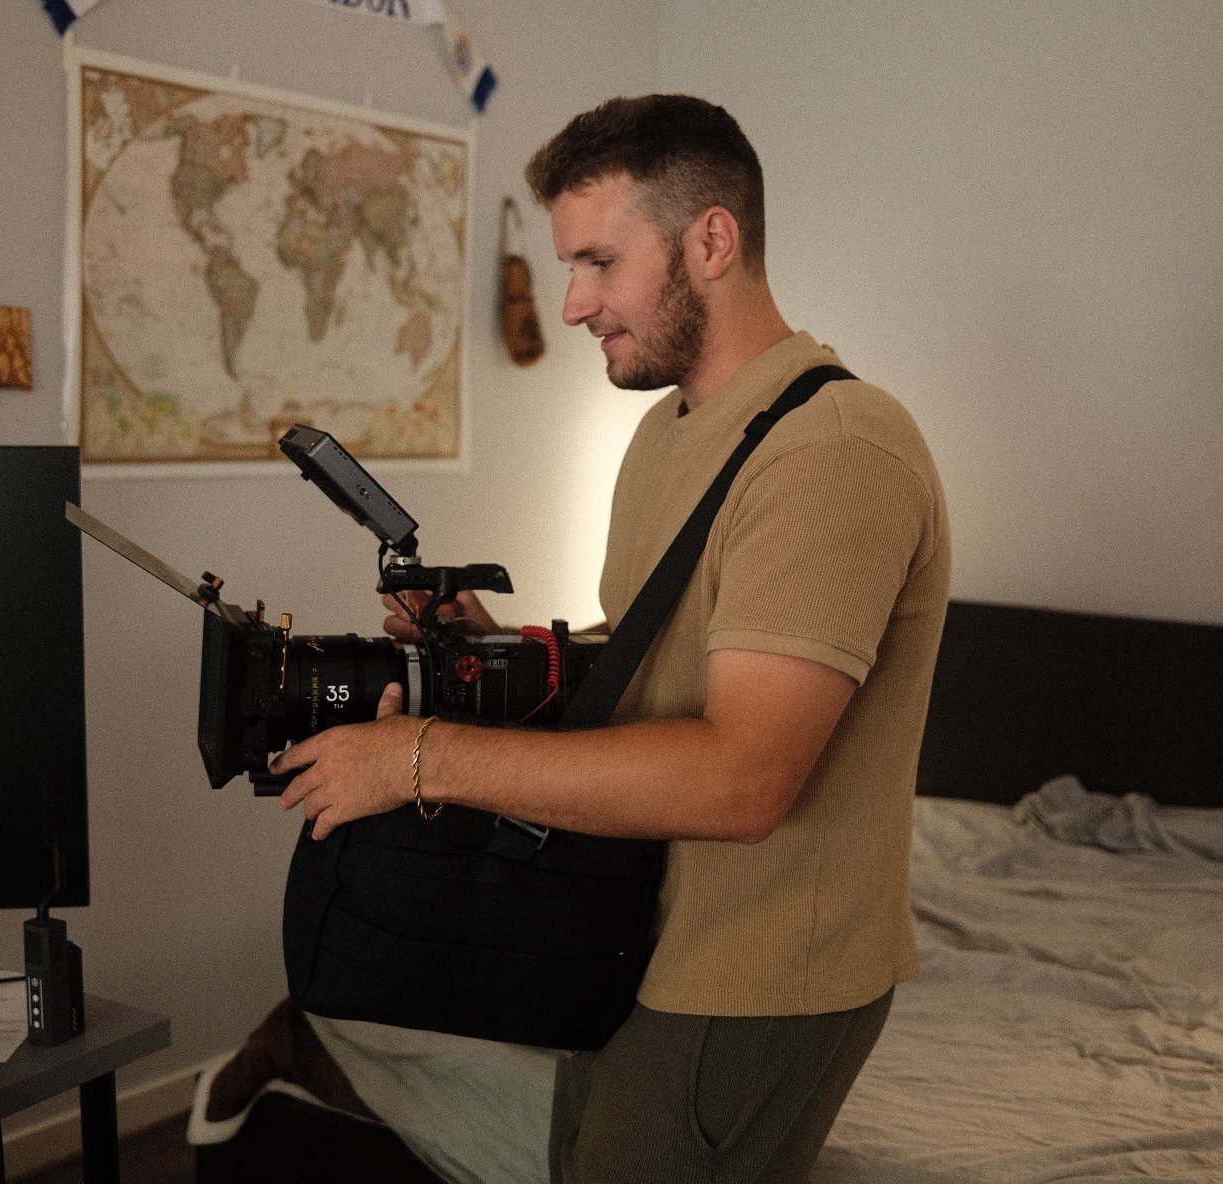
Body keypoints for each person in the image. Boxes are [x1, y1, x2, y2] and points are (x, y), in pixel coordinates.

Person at [267, 93, 951, 1183]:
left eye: (598, 261)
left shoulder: (835, 451)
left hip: (754, 974)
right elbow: (663, 656)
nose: (576, 302)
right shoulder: (663, 433)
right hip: (633, 934)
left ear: (711, 240)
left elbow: (743, 777)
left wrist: (419, 760)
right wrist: (491, 649)